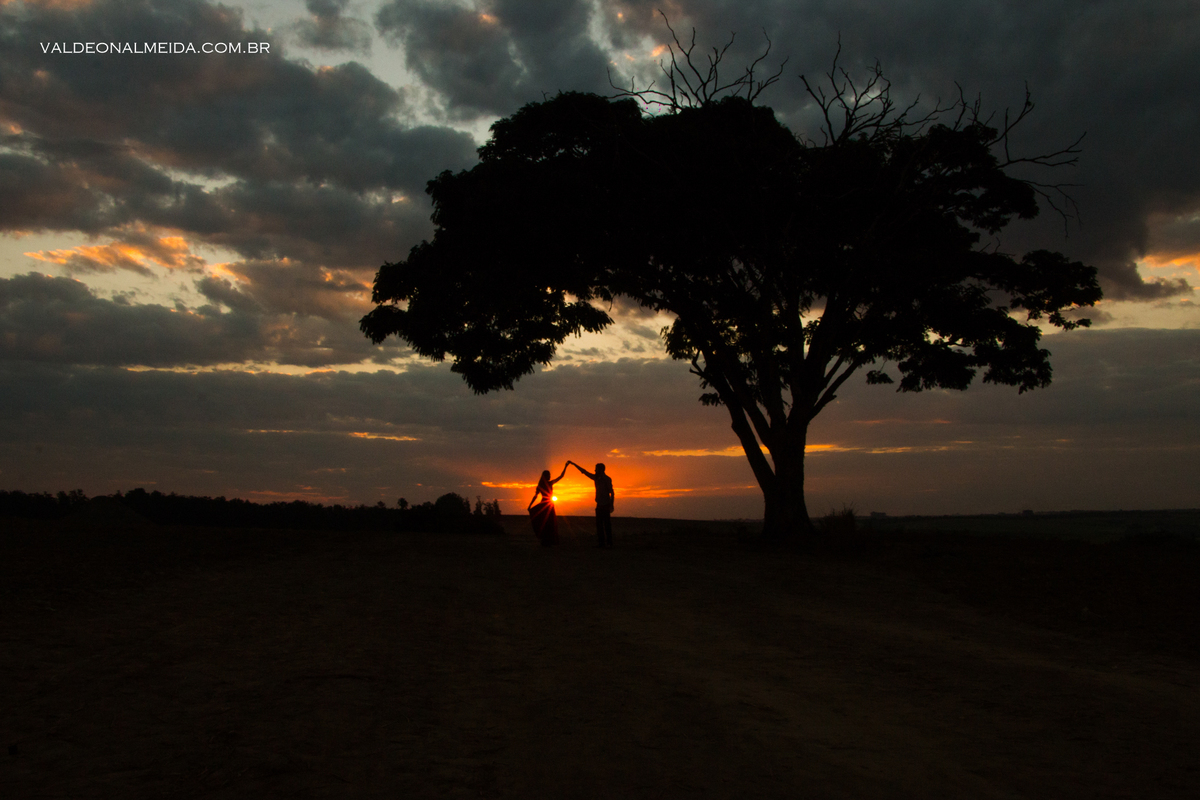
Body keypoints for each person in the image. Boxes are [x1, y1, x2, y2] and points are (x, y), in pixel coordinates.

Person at [568, 461, 615, 548]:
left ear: (601, 470)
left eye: (596, 469)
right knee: (599, 525)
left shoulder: (607, 479)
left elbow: (612, 492)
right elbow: (584, 472)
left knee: (607, 525)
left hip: (605, 505)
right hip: (599, 504)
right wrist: (574, 464)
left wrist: (611, 504)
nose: (595, 470)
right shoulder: (596, 478)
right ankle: (601, 543)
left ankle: (609, 543)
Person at [527, 463, 568, 546]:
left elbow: (561, 476)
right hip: (548, 504)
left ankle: (548, 540)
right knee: (548, 522)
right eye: (549, 475)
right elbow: (535, 496)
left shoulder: (542, 485)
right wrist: (530, 505)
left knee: (547, 522)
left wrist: (565, 467)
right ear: (545, 476)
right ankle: (548, 540)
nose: (550, 476)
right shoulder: (547, 484)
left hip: (546, 504)